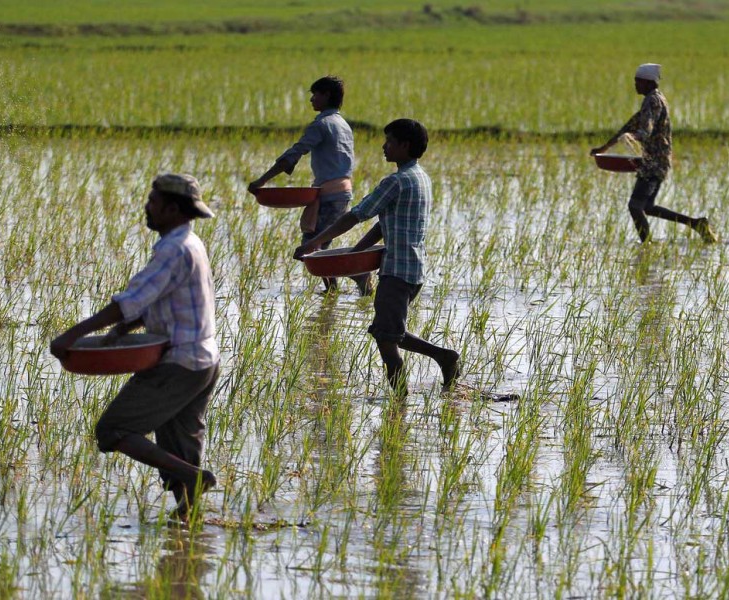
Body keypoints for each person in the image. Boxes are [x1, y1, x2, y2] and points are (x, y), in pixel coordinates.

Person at [50, 173, 220, 521]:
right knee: (179, 444)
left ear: (172, 209)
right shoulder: (191, 244)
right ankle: (188, 527)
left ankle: (194, 479)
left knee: (113, 430)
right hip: (203, 360)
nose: (147, 207)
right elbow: (160, 303)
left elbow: (129, 301)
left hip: (179, 362)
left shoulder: (173, 250)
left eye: (153, 202)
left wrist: (71, 336)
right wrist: (125, 329)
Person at [294, 119, 461, 395]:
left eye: (390, 142)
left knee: (386, 337)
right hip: (412, 269)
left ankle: (402, 398)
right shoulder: (420, 177)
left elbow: (355, 215)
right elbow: (384, 224)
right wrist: (354, 253)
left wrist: (313, 243)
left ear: (405, 146)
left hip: (396, 272)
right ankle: (439, 361)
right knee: (390, 331)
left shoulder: (395, 182)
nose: (384, 147)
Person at [248, 75, 371, 295]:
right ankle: (333, 288)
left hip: (331, 193)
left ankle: (355, 275)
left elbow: (295, 152)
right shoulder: (342, 124)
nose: (312, 99)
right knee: (319, 243)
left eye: (316, 94)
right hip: (341, 191)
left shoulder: (322, 124)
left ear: (327, 96)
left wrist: (262, 180)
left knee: (312, 245)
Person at [591, 63, 717, 244]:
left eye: (638, 82)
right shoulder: (653, 99)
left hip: (654, 163)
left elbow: (645, 131)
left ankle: (647, 246)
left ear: (648, 82)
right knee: (647, 207)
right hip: (655, 161)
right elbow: (631, 125)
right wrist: (604, 148)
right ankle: (696, 224)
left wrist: (633, 137)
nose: (635, 85)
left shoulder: (652, 101)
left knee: (635, 206)